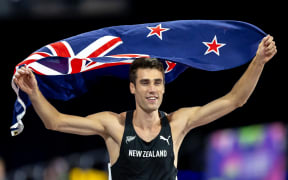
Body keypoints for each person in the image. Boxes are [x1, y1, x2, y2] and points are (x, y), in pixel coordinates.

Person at [14, 35, 277, 180]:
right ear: (133, 87)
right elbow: (56, 122)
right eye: (145, 83)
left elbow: (235, 100)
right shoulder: (113, 125)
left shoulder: (178, 123)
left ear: (163, 87)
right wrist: (35, 92)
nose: (152, 89)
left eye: (157, 83)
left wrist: (259, 61)